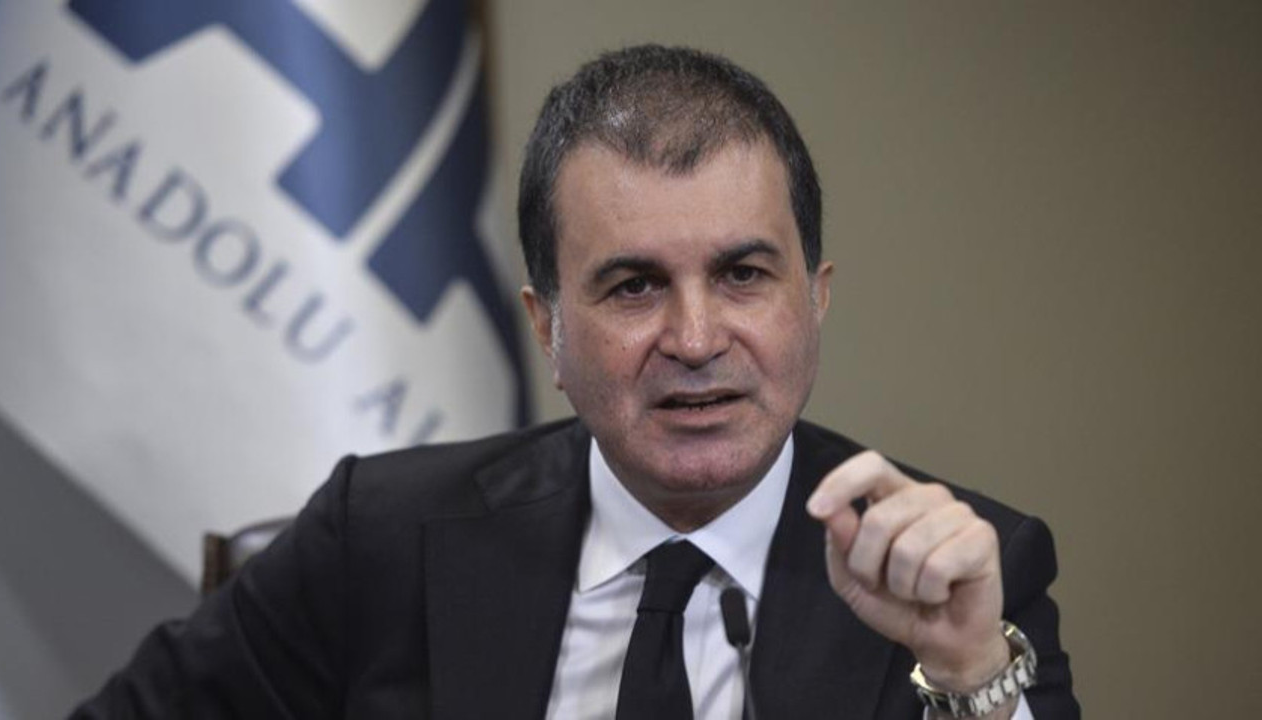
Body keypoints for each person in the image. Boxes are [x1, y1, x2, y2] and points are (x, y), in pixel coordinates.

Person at [70, 45, 1079, 719]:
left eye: (742, 274)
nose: (695, 339)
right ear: (546, 328)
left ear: (813, 300)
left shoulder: (962, 574)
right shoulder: (378, 536)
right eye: (633, 286)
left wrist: (969, 674)